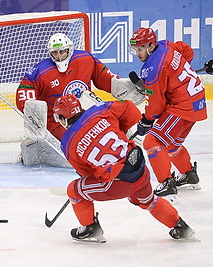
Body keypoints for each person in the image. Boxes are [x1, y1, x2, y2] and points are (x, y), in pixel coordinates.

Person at [52, 94, 195, 242]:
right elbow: (129, 107)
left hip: (116, 184)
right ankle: (180, 226)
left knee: (74, 190)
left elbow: (87, 173)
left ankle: (90, 228)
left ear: (63, 117)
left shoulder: (67, 144)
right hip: (139, 169)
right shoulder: (99, 110)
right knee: (149, 201)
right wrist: (118, 130)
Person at [16, 33, 144, 167]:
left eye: (62, 52)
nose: (59, 56)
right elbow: (24, 91)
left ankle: (125, 144)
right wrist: (32, 109)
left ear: (69, 50)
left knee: (109, 119)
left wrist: (123, 87)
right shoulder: (40, 71)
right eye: (55, 53)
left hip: (86, 109)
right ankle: (38, 149)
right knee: (75, 151)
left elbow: (106, 79)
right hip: (58, 120)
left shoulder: (85, 59)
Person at [129, 28, 207, 200]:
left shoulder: (151, 69)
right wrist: (179, 72)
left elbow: (157, 105)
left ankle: (167, 183)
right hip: (197, 101)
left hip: (183, 106)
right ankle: (189, 175)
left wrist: (146, 120)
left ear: (151, 45)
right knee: (170, 143)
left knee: (152, 141)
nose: (137, 53)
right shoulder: (166, 45)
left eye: (140, 48)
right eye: (136, 49)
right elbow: (186, 50)